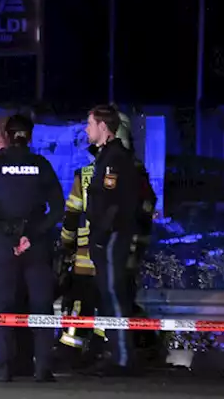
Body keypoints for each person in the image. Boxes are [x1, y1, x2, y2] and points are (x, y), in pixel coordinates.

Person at [0, 113, 65, 382]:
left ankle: (2, 369)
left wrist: (7, 240)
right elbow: (57, 208)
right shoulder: (41, 164)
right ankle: (42, 369)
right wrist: (32, 237)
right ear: (30, 136)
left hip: (5, 247)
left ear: (8, 135)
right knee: (41, 307)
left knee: (4, 308)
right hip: (36, 246)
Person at [82, 104, 141, 376]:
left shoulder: (115, 158)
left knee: (114, 295)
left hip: (112, 237)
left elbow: (114, 203)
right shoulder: (107, 155)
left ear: (103, 127)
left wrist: (102, 236)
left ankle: (123, 358)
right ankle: (116, 353)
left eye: (90, 124)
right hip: (108, 236)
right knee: (108, 295)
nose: (86, 129)